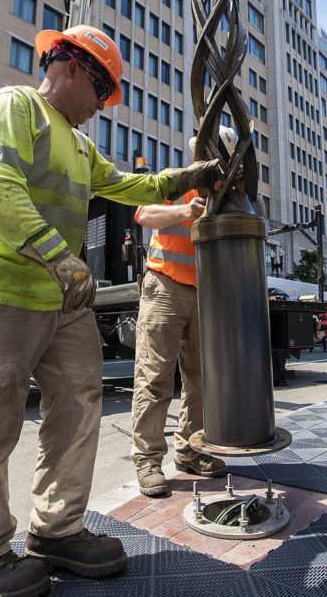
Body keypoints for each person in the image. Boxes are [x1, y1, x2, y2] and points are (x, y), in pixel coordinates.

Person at [0, 25, 221, 596]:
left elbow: (125, 185)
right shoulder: (11, 108)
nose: (102, 106)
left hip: (60, 299)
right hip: (1, 289)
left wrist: (182, 178)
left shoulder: (78, 143)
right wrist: (60, 258)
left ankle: (57, 529)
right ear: (70, 67)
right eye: (102, 91)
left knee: (77, 408)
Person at [130, 187, 227, 497]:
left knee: (199, 380)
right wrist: (184, 211)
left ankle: (190, 451)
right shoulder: (178, 186)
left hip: (205, 293)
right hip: (165, 286)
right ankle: (147, 461)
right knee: (154, 379)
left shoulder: (225, 198)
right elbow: (144, 214)